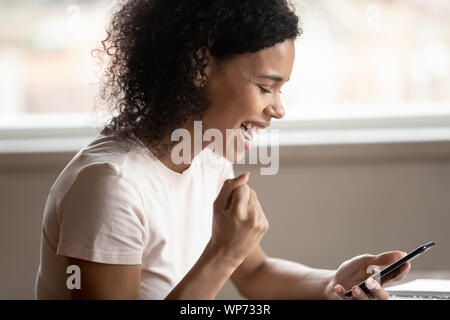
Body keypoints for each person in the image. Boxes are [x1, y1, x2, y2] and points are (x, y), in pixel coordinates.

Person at [35, 0, 410, 300]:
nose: (278, 109)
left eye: (281, 90)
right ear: (199, 66)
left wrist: (337, 282)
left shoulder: (206, 158)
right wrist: (225, 252)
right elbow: (232, 263)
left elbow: (256, 276)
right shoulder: (112, 185)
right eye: (266, 87)